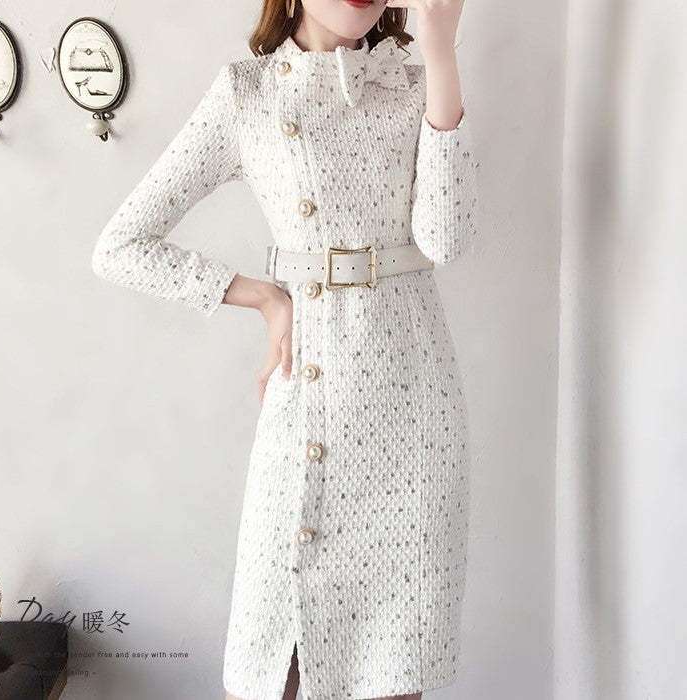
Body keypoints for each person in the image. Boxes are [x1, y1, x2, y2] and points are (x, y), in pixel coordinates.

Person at [91, 0, 479, 698]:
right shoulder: (247, 94)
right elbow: (121, 246)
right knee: (270, 672)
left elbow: (445, 240)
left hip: (412, 416)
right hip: (307, 406)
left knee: (393, 678)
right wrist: (265, 297)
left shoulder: (415, 85)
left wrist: (442, 52)